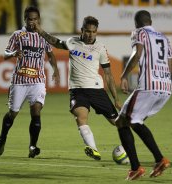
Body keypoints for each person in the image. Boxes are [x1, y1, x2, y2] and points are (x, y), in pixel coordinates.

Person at [34, 16, 121, 160]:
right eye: (87, 31)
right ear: (82, 30)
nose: (90, 34)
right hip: (77, 90)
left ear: (96, 32)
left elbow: (108, 75)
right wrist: (40, 31)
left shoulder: (100, 49)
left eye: (93, 32)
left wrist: (116, 99)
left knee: (117, 123)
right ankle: (93, 149)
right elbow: (55, 42)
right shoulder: (72, 42)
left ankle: (129, 147)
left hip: (96, 90)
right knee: (80, 117)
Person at [115, 10, 172, 180]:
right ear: (151, 21)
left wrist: (124, 75)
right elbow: (170, 65)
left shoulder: (139, 33)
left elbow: (137, 54)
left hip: (148, 86)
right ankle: (148, 163)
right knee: (126, 121)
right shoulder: (165, 38)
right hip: (165, 87)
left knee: (128, 121)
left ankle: (149, 162)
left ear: (136, 23)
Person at [0, 6, 60, 158]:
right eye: (29, 19)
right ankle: (2, 137)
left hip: (37, 80)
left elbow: (50, 55)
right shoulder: (18, 35)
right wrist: (13, 53)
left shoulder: (43, 36)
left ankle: (32, 146)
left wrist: (55, 70)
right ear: (25, 20)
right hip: (20, 80)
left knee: (36, 111)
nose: (32, 22)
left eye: (35, 19)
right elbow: (5, 54)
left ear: (39, 20)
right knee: (13, 113)